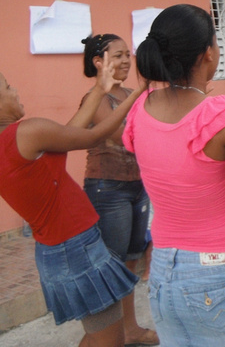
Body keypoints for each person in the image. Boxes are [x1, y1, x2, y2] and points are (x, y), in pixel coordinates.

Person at [122, 5, 225, 347]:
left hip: (164, 270)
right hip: (222, 271)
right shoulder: (224, 113)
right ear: (208, 53)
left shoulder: (141, 107)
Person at [0, 58, 143, 347]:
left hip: (59, 250)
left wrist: (100, 89)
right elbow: (94, 135)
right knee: (110, 340)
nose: (16, 90)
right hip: (76, 249)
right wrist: (137, 94)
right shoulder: (26, 132)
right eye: (8, 86)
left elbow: (71, 132)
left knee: (98, 334)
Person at [80, 34, 158, 347]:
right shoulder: (94, 99)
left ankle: (129, 328)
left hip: (137, 185)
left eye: (129, 54)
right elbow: (121, 135)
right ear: (99, 62)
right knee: (110, 265)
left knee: (130, 260)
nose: (127, 61)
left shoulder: (130, 92)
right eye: (119, 55)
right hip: (107, 188)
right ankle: (104, 337)